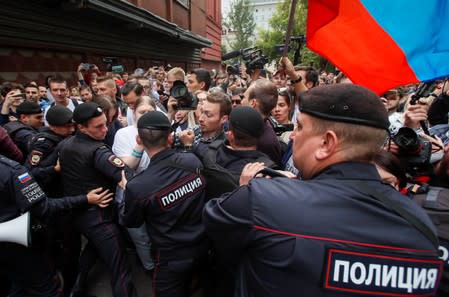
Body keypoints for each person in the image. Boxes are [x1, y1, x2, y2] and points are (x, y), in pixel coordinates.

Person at [203, 84, 443, 296]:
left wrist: (249, 189)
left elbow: (215, 224)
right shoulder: (420, 228)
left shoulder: (261, 201)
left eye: (299, 127)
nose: (293, 136)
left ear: (327, 143)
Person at [122, 111, 209, 297]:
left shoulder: (138, 187)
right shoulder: (192, 161)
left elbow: (131, 221)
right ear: (170, 138)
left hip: (171, 259)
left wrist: (126, 188)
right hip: (203, 247)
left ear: (139, 139)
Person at [0, 155, 112, 297]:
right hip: (15, 245)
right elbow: (44, 208)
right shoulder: (11, 171)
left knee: (15, 283)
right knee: (48, 287)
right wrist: (85, 199)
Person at [59, 102, 136, 297]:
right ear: (81, 127)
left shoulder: (65, 144)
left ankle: (77, 288)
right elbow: (126, 179)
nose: (105, 129)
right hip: (100, 220)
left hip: (77, 214)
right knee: (120, 270)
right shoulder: (99, 151)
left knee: (92, 249)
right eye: (98, 127)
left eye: (106, 123)